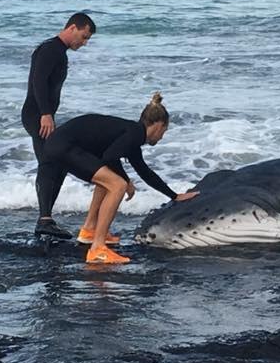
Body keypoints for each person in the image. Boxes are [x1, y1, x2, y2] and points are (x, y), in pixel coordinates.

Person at [39, 92, 199, 264]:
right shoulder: (133, 135)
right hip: (63, 147)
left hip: (59, 144)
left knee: (107, 180)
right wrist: (126, 181)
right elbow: (109, 157)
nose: (162, 137)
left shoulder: (132, 134)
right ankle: (97, 249)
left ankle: (89, 231)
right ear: (158, 125)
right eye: (164, 131)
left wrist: (174, 196)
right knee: (118, 185)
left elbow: (144, 171)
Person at [21, 12, 96, 238]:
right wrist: (45, 113)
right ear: (72, 27)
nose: (84, 43)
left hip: (44, 114)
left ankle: (46, 218)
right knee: (48, 163)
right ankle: (44, 220)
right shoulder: (50, 49)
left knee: (60, 162)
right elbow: (39, 82)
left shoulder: (59, 52)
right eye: (83, 37)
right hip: (36, 115)